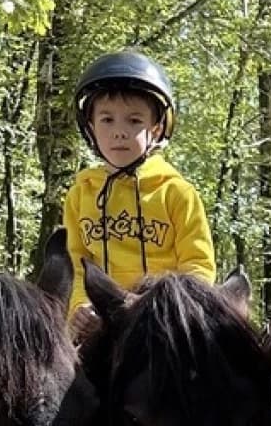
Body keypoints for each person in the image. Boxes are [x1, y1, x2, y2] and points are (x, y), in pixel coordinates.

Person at [61, 49, 214, 318]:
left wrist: (174, 307)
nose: (119, 131)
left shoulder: (176, 193)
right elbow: (76, 266)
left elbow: (198, 265)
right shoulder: (80, 196)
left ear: (156, 129)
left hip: (162, 318)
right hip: (101, 318)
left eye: (134, 121)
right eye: (107, 120)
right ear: (91, 127)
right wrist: (81, 306)